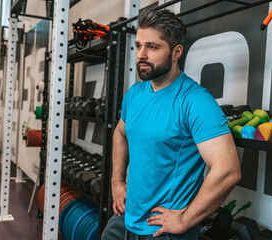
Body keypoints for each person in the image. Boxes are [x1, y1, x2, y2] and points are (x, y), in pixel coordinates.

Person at [102, 9, 241, 240]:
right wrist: (117, 182)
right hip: (125, 218)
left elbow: (228, 171)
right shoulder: (135, 93)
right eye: (138, 46)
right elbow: (120, 132)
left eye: (152, 47)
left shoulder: (196, 101)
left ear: (177, 52)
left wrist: (183, 220)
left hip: (162, 230)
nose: (141, 55)